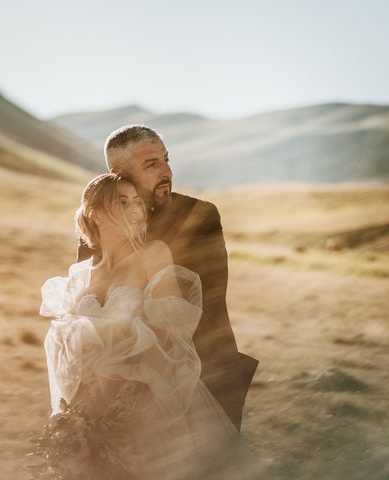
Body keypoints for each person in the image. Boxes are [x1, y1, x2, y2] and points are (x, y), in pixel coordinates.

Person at [30, 173, 262, 480]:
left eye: (137, 201)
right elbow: (69, 349)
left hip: (143, 397)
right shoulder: (82, 274)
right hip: (88, 401)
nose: (136, 209)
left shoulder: (152, 254)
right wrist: (74, 410)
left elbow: (169, 328)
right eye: (122, 202)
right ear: (95, 212)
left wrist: (109, 387)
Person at [77, 125, 258, 431]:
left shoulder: (200, 216)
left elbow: (204, 305)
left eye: (166, 159)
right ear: (119, 172)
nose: (166, 171)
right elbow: (89, 304)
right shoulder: (99, 228)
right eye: (152, 164)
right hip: (110, 383)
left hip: (201, 374)